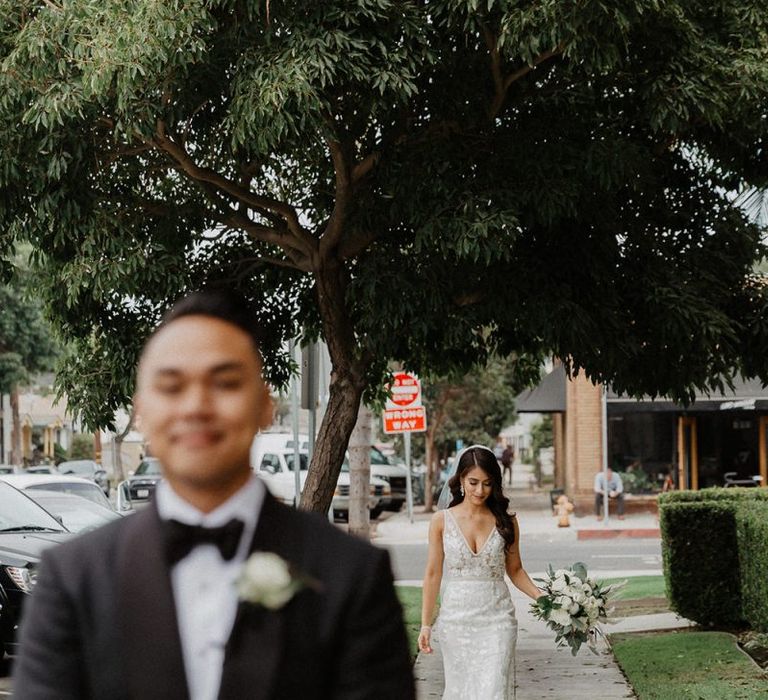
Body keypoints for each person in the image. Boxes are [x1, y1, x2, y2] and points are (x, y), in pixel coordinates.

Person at [13, 289, 415, 700]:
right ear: (142, 410)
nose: (196, 406)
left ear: (264, 406)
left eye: (225, 382)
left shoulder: (351, 575)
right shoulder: (72, 579)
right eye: (171, 386)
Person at [418, 445, 542, 699]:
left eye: (487, 483)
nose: (480, 490)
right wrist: (426, 625)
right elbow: (432, 574)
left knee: (494, 690)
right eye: (473, 482)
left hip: (498, 619)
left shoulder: (507, 522)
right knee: (460, 691)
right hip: (457, 621)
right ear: (461, 479)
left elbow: (516, 570)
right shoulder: (441, 521)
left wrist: (544, 599)